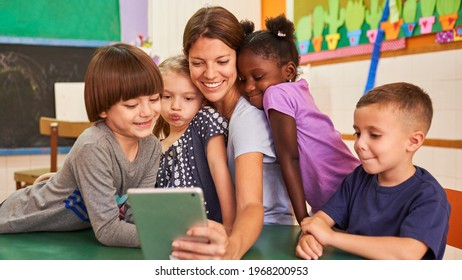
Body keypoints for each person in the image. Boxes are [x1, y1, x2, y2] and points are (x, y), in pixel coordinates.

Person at [0, 43, 163, 248]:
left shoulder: (152, 147)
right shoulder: (94, 145)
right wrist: (167, 240)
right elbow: (108, 231)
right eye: (131, 105)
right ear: (103, 108)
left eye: (155, 98)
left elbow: (134, 215)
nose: (147, 112)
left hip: (58, 238)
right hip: (15, 224)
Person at [171, 6, 294, 260]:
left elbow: (251, 206)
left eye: (223, 61)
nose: (210, 73)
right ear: (187, 58)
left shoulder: (246, 118)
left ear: (237, 57)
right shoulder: (206, 110)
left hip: (267, 239)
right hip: (231, 232)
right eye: (198, 63)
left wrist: (231, 250)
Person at [296, 82, 451, 260]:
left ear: (414, 141)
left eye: (375, 135)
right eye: (358, 133)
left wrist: (331, 237)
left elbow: (407, 253)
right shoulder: (358, 178)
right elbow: (321, 220)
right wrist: (310, 236)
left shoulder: (430, 196)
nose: (360, 144)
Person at [237, 15, 360, 224]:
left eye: (257, 77)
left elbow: (289, 158)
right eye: (242, 79)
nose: (249, 87)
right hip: (348, 190)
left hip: (347, 196)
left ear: (289, 71)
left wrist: (304, 219)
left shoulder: (276, 94)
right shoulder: (298, 89)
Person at [153, 54, 235, 234]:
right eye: (166, 97)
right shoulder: (155, 146)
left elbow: (218, 167)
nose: (176, 106)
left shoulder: (204, 121)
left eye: (188, 98)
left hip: (211, 230)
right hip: (169, 233)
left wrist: (229, 226)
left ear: (202, 100)